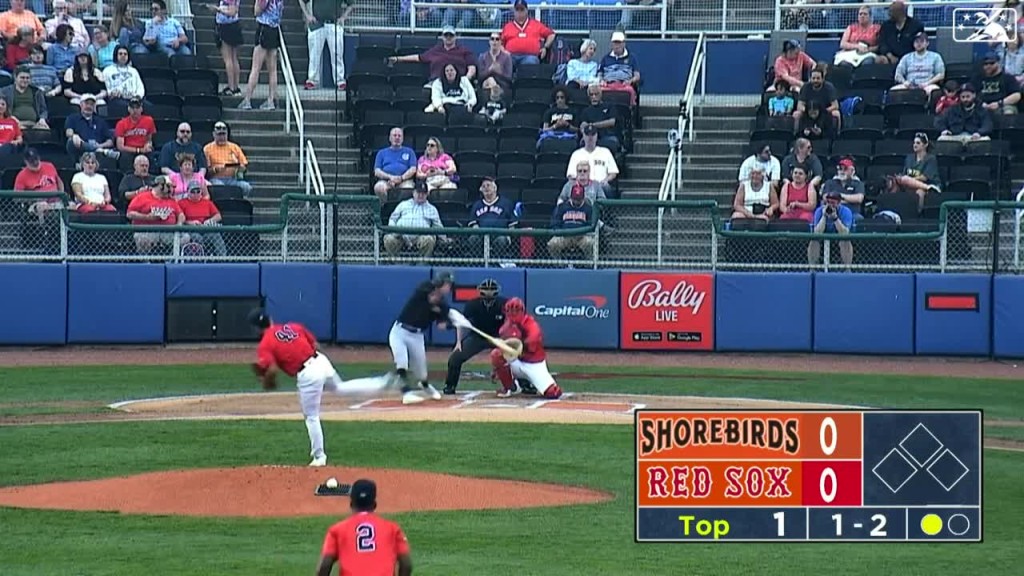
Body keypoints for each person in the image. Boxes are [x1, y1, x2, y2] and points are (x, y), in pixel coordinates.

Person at [249, 309, 393, 467]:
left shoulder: (265, 344)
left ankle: (319, 457)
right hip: (321, 361)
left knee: (311, 416)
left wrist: (266, 381)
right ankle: (380, 383)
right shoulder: (293, 326)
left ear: (256, 328)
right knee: (340, 387)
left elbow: (272, 370)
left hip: (308, 373)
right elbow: (315, 344)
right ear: (270, 320)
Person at [316, 478, 413, 576]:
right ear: (374, 504)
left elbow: (324, 566)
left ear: (351, 504)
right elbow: (406, 564)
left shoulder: (336, 530)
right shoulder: (393, 529)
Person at [387, 272, 455, 404]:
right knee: (402, 362)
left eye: (450, 285)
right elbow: (430, 297)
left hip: (417, 336)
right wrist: (436, 305)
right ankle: (406, 393)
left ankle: (424, 385)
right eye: (447, 284)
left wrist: (451, 324)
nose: (448, 287)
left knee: (422, 372)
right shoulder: (425, 287)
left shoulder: (443, 305)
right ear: (440, 283)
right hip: (399, 332)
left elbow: (441, 325)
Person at [443, 278, 508, 395]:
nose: (488, 293)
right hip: (478, 337)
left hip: (498, 337)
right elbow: (461, 323)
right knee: (455, 358)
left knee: (515, 356)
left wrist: (505, 340)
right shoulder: (472, 304)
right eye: (486, 290)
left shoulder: (504, 304)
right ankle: (450, 385)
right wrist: (458, 342)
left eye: (491, 290)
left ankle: (523, 385)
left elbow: (510, 324)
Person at [489, 297, 564, 398]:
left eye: (515, 311)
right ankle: (511, 387)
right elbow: (506, 352)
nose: (513, 314)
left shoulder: (531, 324)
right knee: (496, 354)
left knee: (553, 393)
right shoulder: (504, 329)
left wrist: (514, 345)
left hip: (533, 364)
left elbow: (528, 343)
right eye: (510, 311)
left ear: (522, 311)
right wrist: (497, 368)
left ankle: (528, 382)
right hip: (517, 362)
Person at [299, 0, 354, 91]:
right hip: (317, 24)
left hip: (334, 24)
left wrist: (343, 17)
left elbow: (351, 4)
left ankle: (340, 80)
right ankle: (312, 80)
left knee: (337, 53)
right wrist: (308, 16)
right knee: (314, 54)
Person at [238, 0, 283, 110]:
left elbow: (257, 11)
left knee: (256, 67)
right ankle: (271, 100)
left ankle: (247, 99)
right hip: (275, 28)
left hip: (264, 27)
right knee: (272, 70)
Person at [808, 189, 855, 268]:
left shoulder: (846, 211)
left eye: (833, 203)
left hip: (839, 237)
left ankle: (847, 269)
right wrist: (824, 216)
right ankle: (813, 268)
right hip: (823, 237)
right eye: (828, 202)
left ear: (839, 203)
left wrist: (835, 218)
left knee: (845, 241)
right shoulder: (819, 211)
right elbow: (817, 233)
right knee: (814, 240)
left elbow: (845, 233)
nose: (830, 205)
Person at [207, 0, 243, 95]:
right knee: (233, 58)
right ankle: (235, 86)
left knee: (228, 59)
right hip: (233, 25)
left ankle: (232, 87)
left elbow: (232, 12)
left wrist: (217, 9)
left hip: (226, 26)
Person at [372, 127, 417, 202]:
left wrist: (401, 178)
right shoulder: (381, 153)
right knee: (379, 187)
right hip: (386, 180)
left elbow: (413, 169)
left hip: (405, 180)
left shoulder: (410, 151)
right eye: (394, 135)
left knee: (408, 188)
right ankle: (386, 207)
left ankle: (401, 209)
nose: (397, 138)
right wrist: (390, 177)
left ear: (403, 139)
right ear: (389, 138)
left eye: (399, 136)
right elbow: (377, 171)